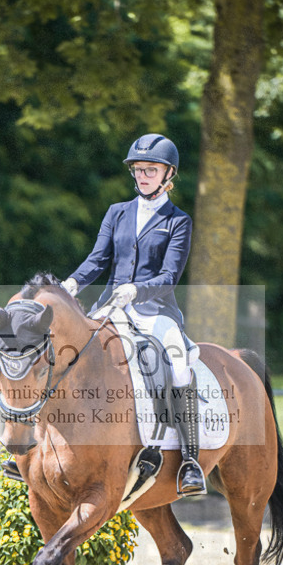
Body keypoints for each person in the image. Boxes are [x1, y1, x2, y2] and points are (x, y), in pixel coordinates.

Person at [61, 133, 206, 497]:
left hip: (156, 311)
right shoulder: (117, 212)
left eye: (150, 170)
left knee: (179, 364)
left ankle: (190, 461)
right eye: (138, 170)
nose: (142, 176)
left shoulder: (178, 221)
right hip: (112, 306)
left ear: (168, 174)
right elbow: (98, 259)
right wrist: (72, 283)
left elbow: (170, 276)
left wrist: (137, 290)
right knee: (68, 353)